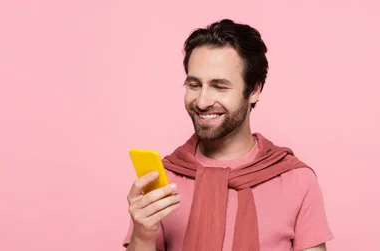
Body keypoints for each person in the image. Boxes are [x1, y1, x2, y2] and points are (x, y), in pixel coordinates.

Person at [123, 19, 334, 251]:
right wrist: (142, 236)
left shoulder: (296, 180)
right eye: (194, 85)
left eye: (220, 87)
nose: (202, 102)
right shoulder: (163, 179)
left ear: (253, 90)